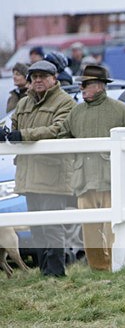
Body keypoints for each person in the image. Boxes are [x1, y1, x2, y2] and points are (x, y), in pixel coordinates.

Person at [57, 64, 125, 271]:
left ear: (99, 86)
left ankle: (116, 267)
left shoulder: (119, 109)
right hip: (84, 180)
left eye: (86, 84)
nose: (82, 88)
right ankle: (98, 268)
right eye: (82, 85)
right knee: (89, 229)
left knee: (114, 228)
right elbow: (62, 137)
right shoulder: (76, 113)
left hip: (111, 180)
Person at [3, 60, 75, 277]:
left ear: (54, 79)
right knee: (36, 227)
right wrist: (6, 135)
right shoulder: (23, 104)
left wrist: (23, 136)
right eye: (34, 77)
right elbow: (13, 127)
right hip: (28, 174)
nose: (38, 81)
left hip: (53, 174)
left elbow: (57, 129)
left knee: (52, 226)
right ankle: (45, 272)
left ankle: (56, 273)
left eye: (43, 76)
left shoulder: (65, 102)